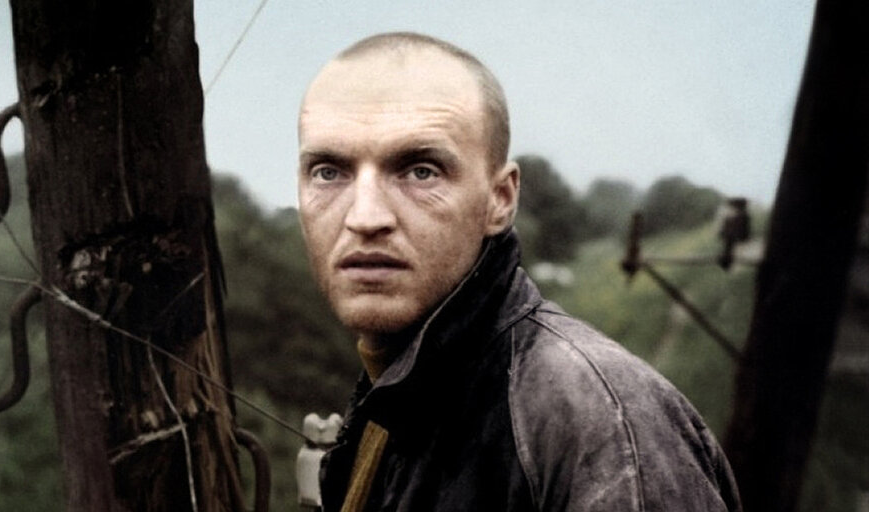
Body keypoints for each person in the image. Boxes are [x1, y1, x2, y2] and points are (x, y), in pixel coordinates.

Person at [296, 32, 742, 511]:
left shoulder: (602, 423)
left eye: (421, 171)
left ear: (500, 199)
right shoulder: (392, 393)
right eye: (328, 172)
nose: (364, 217)